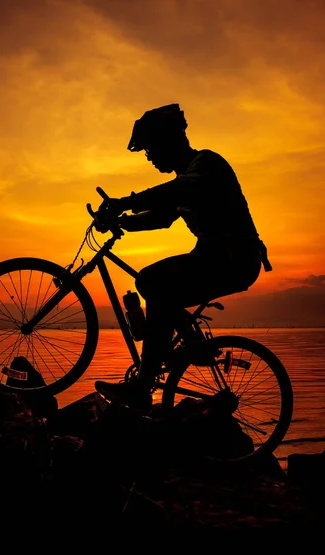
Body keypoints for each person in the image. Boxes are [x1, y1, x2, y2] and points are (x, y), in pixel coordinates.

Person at [94, 103, 272, 412]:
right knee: (154, 284)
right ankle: (179, 348)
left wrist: (124, 203)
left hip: (234, 258)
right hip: (215, 256)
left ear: (168, 141)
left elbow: (173, 193)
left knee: (151, 280)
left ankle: (145, 382)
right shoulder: (186, 178)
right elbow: (160, 217)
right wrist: (120, 222)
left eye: (151, 150)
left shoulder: (205, 165)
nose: (150, 159)